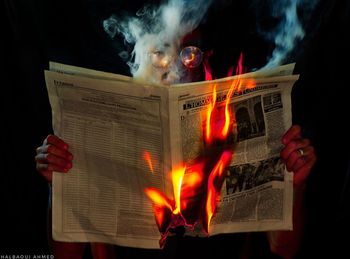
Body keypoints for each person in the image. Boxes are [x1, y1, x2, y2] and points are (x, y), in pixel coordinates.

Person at [33, 0, 322, 258]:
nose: (177, 67)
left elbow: (283, 249)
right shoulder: (104, 131)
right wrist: (58, 186)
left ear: (205, 58)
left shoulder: (228, 129)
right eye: (161, 52)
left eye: (189, 52)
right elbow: (65, 254)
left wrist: (295, 184)